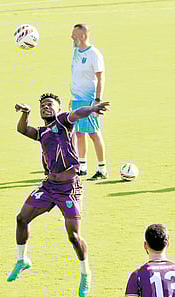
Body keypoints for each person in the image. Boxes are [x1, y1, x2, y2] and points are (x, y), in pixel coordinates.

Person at [9, 93, 110, 297]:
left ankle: (84, 273)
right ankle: (22, 259)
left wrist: (91, 109)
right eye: (42, 106)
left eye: (50, 104)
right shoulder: (42, 132)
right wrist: (26, 113)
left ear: (58, 108)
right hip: (49, 186)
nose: (46, 107)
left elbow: (76, 114)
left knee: (73, 236)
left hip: (69, 188)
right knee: (21, 219)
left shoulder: (63, 122)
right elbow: (22, 129)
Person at [70, 24, 107, 180]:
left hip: (89, 99)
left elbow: (100, 78)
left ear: (82, 36)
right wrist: (71, 99)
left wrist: (97, 101)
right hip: (76, 99)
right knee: (79, 133)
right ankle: (82, 166)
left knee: (93, 133)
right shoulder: (76, 52)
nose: (72, 37)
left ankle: (102, 168)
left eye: (74, 35)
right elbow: (75, 76)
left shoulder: (94, 54)